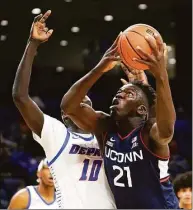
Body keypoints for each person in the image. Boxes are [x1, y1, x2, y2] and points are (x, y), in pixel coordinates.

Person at [61, 31, 179, 208]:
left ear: (140, 109)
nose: (119, 95)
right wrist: (100, 67)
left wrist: (161, 75)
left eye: (128, 94)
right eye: (118, 93)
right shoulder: (105, 127)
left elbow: (166, 129)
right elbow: (68, 107)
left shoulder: (149, 134)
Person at [12, 10, 115, 209]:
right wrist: (32, 44)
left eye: (85, 104)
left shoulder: (106, 137)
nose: (80, 105)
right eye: (74, 104)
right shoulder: (57, 135)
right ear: (64, 114)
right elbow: (20, 97)